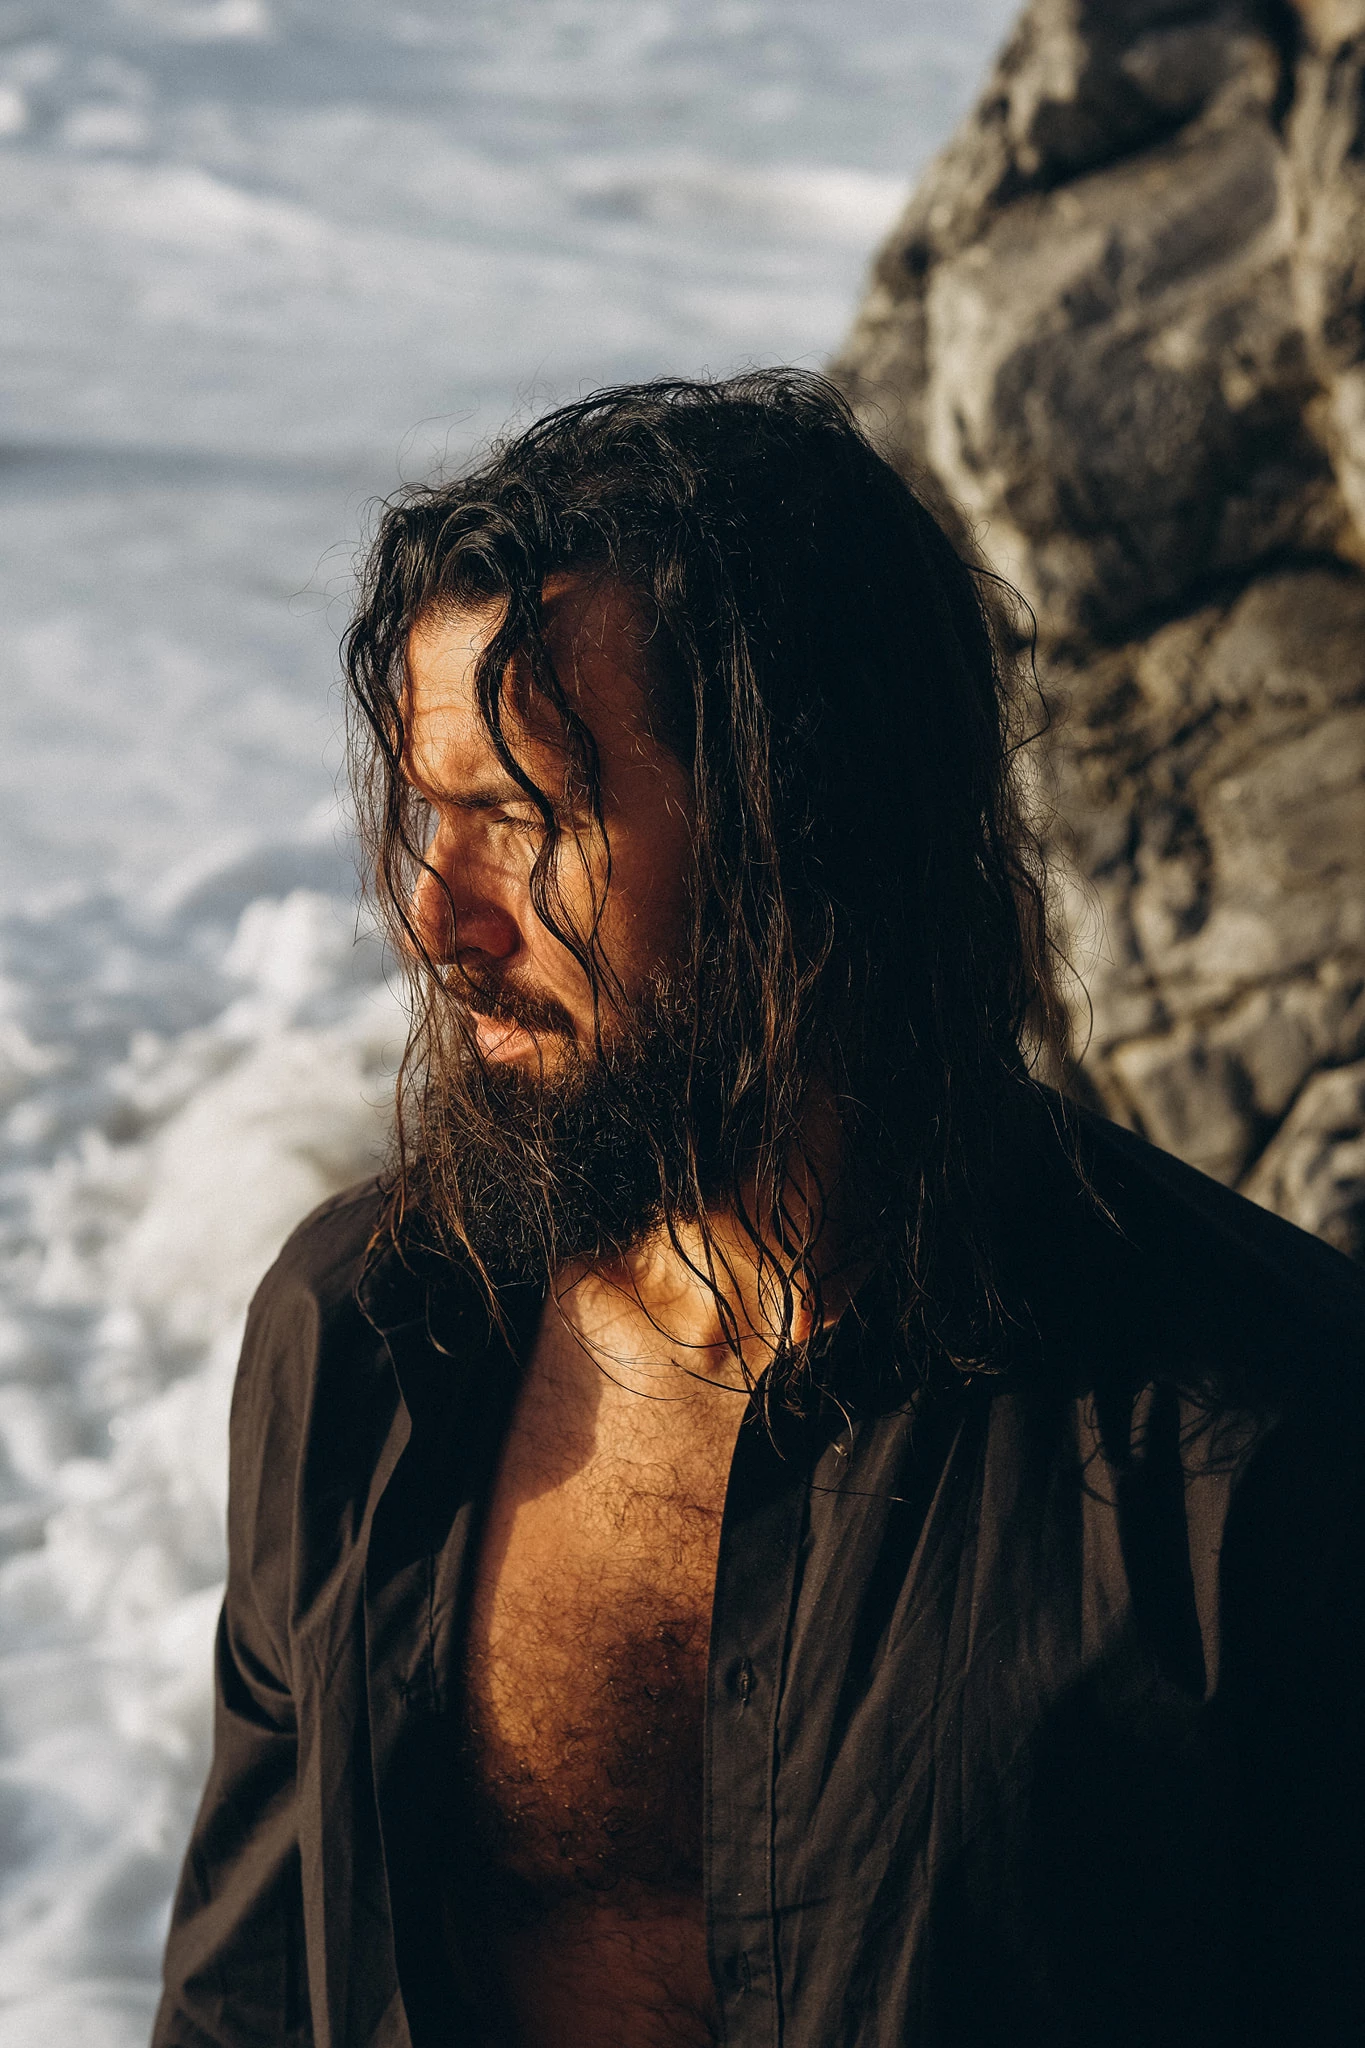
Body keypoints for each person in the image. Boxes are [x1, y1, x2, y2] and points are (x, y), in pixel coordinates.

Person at [153, 374, 1364, 2048]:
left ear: (804, 828)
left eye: (522, 817)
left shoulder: (1258, 1438)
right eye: (430, 813)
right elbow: (247, 2003)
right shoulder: (366, 1329)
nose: (436, 915)